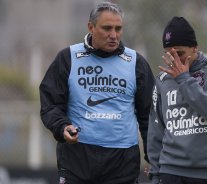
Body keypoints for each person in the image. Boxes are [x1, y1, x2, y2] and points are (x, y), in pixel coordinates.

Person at [39, 2, 154, 184]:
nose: (113, 35)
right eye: (107, 28)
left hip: (122, 162)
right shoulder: (67, 58)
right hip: (78, 159)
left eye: (118, 28)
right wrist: (62, 127)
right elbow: (50, 104)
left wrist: (154, 156)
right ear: (91, 27)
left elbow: (149, 116)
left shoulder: (136, 63)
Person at [147, 16, 207, 184]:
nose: (175, 61)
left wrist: (184, 79)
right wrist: (156, 175)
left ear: (195, 48)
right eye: (170, 55)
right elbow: (156, 131)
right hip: (170, 170)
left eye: (180, 54)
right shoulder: (162, 80)